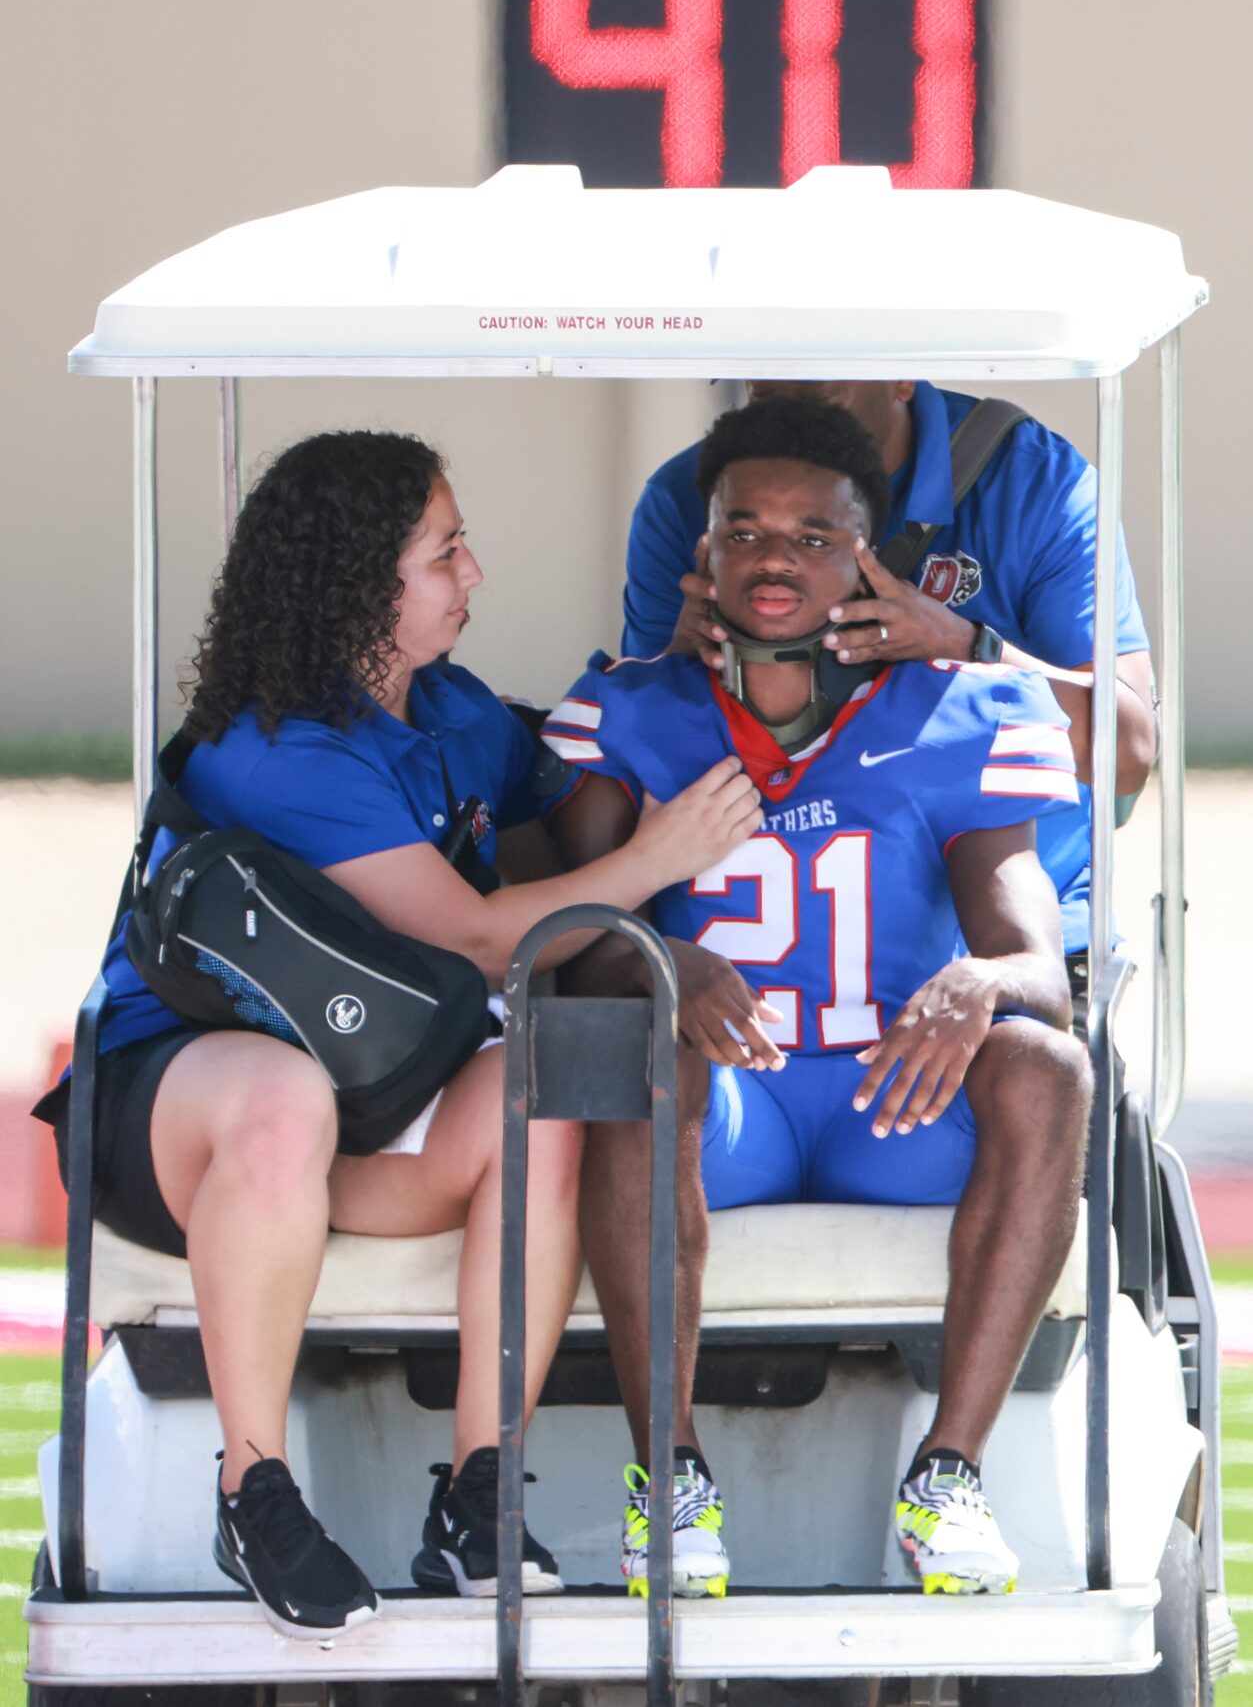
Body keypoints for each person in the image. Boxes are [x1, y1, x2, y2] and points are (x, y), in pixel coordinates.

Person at [35, 429, 762, 1639]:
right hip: (183, 1116)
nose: (472, 574)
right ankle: (253, 1488)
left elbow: (556, 809)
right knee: (281, 1098)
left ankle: (480, 1493)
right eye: (445, 551)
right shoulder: (275, 751)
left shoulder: (449, 710)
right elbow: (480, 937)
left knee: (544, 1092)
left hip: (371, 1100)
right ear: (360, 578)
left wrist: (674, 674)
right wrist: (655, 866)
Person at [544, 397, 1093, 1599]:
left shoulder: (957, 709)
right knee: (640, 1057)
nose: (773, 555)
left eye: (810, 531)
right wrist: (656, 959)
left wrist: (971, 981)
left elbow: (1037, 968)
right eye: (741, 530)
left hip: (889, 1097)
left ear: (868, 552)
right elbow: (553, 934)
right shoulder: (633, 708)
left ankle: (947, 1474)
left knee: (1049, 1067)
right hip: (725, 1108)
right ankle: (670, 1480)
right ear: (701, 554)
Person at [622, 379, 1157, 1033]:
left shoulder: (1032, 482)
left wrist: (961, 644)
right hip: (761, 942)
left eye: (820, 393)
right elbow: (629, 751)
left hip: (1002, 932)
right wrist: (681, 656)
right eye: (763, 396)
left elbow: (1125, 754)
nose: (792, 423)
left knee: (1035, 1070)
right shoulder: (690, 495)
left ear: (900, 372)